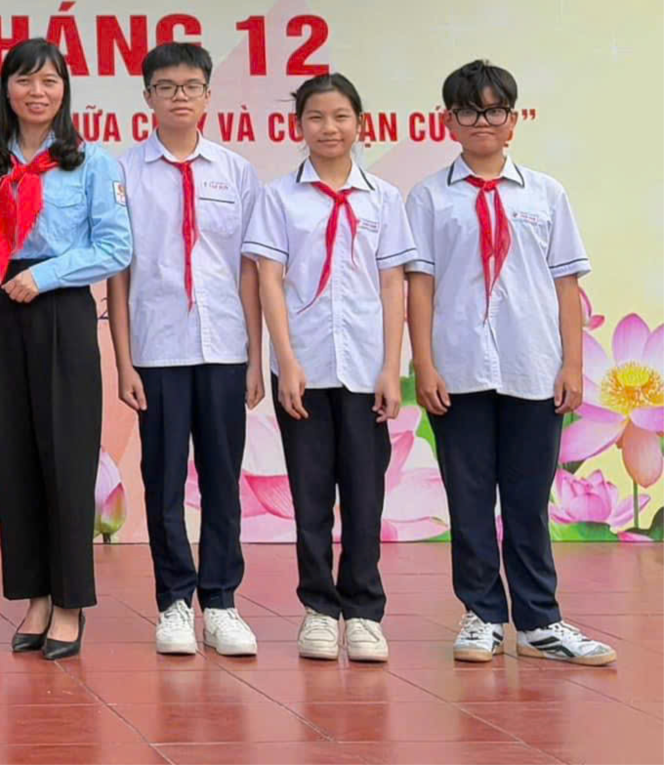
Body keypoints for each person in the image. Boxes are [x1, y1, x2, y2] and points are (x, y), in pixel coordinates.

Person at [407, 60, 615, 666]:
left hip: (533, 367)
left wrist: (572, 365)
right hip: (459, 370)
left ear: (513, 120)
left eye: (494, 109)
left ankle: (540, 622)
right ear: (449, 121)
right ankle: (481, 616)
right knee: (469, 498)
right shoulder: (429, 197)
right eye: (468, 111)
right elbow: (420, 287)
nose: (482, 121)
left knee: (527, 500)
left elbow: (566, 285)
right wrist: (425, 365)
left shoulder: (546, 194)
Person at [0, 38, 131, 661]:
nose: (37, 92)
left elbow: (116, 248)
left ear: (65, 90)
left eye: (49, 81)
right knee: (13, 458)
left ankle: (69, 604)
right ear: (6, 89)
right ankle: (34, 597)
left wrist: (47, 275)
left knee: (67, 457)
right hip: (0, 313)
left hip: (60, 308)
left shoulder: (93, 163)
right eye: (25, 80)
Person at [246, 72, 415, 664]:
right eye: (316, 117)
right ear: (298, 126)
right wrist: (285, 361)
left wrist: (392, 367)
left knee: (365, 494)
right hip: (306, 369)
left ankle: (364, 611)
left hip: (367, 369)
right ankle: (318, 609)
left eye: (341, 116)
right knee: (310, 493)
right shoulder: (279, 197)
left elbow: (392, 284)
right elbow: (269, 280)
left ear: (360, 123)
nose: (329, 128)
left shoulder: (383, 199)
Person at [107, 42, 264, 659]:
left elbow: (249, 269)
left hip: (224, 346)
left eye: (191, 86)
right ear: (147, 96)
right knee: (163, 480)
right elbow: (118, 273)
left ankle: (221, 602)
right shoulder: (124, 173)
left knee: (223, 480)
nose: (179, 96)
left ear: (207, 96)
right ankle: (174, 601)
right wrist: (124, 361)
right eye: (166, 86)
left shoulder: (236, 171)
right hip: (158, 349)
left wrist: (254, 357)